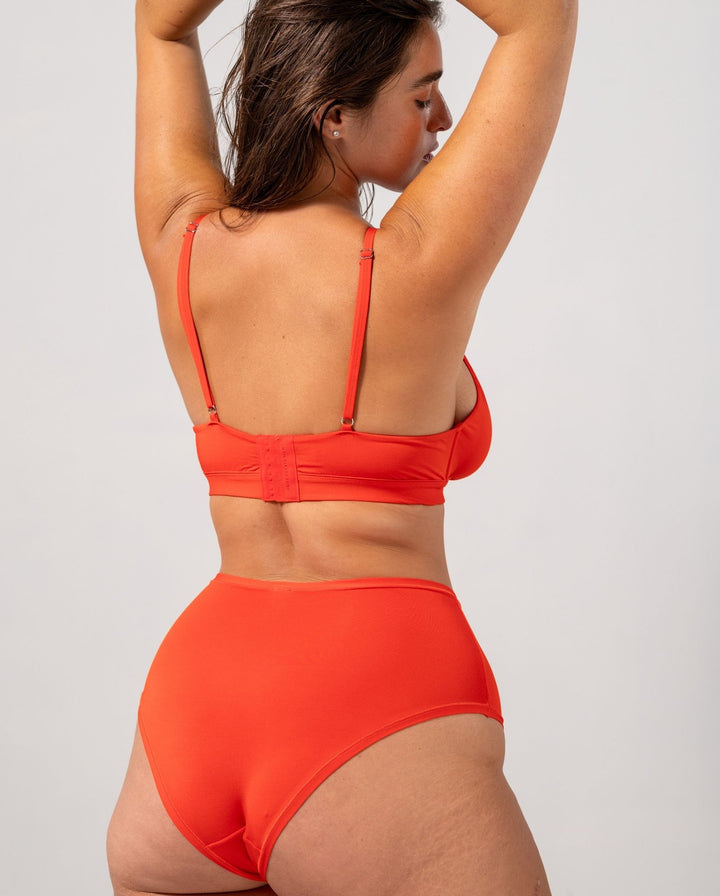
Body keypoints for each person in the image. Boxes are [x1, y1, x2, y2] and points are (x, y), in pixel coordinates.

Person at [107, 0, 577, 892]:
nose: (445, 118)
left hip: (190, 721)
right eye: (423, 96)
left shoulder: (182, 241)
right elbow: (541, 19)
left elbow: (160, 24)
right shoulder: (417, 264)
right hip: (369, 707)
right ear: (334, 115)